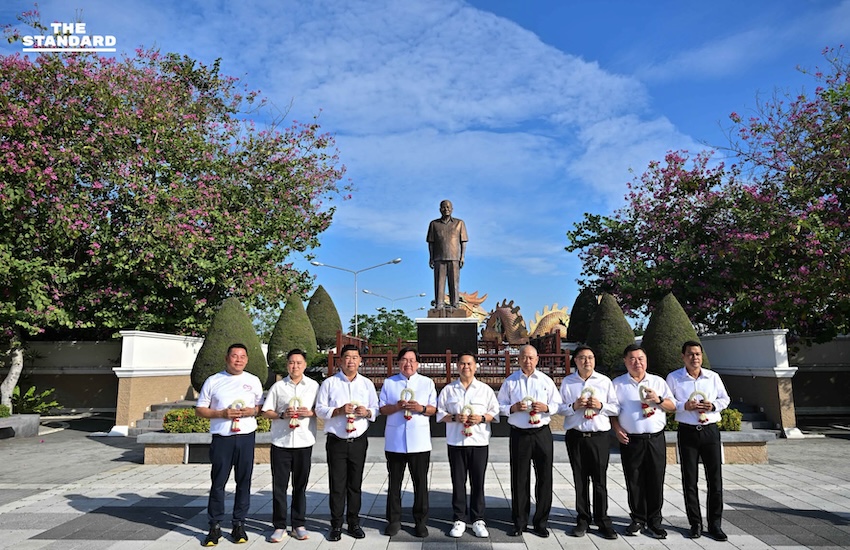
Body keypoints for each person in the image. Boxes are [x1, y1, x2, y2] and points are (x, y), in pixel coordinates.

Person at [195, 343, 264, 546]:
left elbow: (259, 407)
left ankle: (239, 524)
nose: (239, 360)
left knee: (244, 482)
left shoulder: (253, 381)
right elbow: (200, 409)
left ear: (247, 359)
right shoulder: (213, 381)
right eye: (234, 356)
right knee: (218, 483)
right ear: (227, 358)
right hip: (222, 438)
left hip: (245, 438)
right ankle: (214, 525)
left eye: (242, 356)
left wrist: (251, 411)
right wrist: (221, 414)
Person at [667, 340, 731, 542]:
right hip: (687, 432)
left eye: (698, 354)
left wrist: (712, 406)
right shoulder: (674, 378)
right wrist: (684, 405)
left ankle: (715, 524)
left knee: (715, 480)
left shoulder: (712, 377)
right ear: (683, 356)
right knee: (690, 479)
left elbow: (725, 399)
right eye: (690, 354)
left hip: (710, 431)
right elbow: (668, 402)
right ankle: (695, 523)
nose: (695, 358)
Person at [315, 344, 379, 542]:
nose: (351, 361)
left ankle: (353, 523)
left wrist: (367, 412)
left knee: (355, 484)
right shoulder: (330, 383)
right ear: (341, 361)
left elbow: (375, 408)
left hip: (358, 440)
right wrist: (338, 410)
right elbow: (319, 409)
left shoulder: (366, 384)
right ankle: (336, 525)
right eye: (347, 357)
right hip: (336, 441)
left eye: (355, 357)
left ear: (360, 361)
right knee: (337, 485)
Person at [611, 344, 676, 539]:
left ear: (646, 360)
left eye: (640, 358)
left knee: (656, 479)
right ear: (625, 361)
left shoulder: (658, 382)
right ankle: (637, 518)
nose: (637, 362)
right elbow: (612, 411)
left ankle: (655, 521)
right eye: (632, 359)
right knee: (634, 480)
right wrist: (617, 429)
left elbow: (672, 406)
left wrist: (658, 400)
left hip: (655, 438)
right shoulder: (618, 384)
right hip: (631, 440)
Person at [497, 344, 562, 538]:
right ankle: (519, 521)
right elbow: (499, 406)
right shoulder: (510, 381)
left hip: (541, 432)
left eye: (531, 357)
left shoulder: (545, 380)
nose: (528, 361)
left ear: (537, 359)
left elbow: (557, 403)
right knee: (519, 478)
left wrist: (546, 407)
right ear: (519, 359)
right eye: (524, 357)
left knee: (544, 477)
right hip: (520, 434)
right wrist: (512, 408)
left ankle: (541, 522)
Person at [436, 351, 500, 539]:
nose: (466, 367)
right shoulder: (449, 390)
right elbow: (440, 414)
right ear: (457, 366)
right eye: (462, 364)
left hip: (479, 441)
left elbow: (494, 413)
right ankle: (459, 519)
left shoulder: (485, 389)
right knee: (458, 481)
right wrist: (455, 417)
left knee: (478, 481)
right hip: (456, 441)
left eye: (470, 364)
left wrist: (480, 418)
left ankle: (478, 519)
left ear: (476, 366)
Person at [559, 345, 619, 540]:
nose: (587, 361)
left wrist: (601, 406)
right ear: (575, 361)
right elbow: (559, 408)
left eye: (590, 357)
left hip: (599, 437)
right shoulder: (568, 382)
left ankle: (603, 520)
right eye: (583, 358)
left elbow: (616, 408)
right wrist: (573, 406)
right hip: (576, 436)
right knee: (580, 480)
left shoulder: (604, 381)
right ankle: (583, 519)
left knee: (600, 481)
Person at [261, 349, 320, 542]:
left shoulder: (313, 386)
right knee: (279, 486)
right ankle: (279, 526)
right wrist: (281, 415)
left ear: (305, 365)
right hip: (281, 442)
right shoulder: (278, 387)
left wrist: (310, 413)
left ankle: (298, 524)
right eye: (291, 363)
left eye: (299, 363)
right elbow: (265, 411)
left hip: (304, 441)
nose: (295, 366)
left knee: (300, 486)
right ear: (287, 365)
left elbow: (321, 410)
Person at [379, 347, 437, 538]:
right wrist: (396, 407)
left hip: (419, 441)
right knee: (394, 483)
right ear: (398, 363)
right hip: (395, 441)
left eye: (412, 360)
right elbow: (382, 409)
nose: (408, 364)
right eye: (404, 360)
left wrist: (420, 408)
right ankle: (394, 520)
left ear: (418, 363)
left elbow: (433, 409)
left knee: (420, 483)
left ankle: (420, 521)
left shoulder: (427, 383)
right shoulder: (390, 383)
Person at [426, 199, 468, 309]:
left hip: (454, 257)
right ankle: (439, 304)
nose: (446, 209)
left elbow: (463, 241)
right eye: (444, 207)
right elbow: (431, 243)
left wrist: (462, 256)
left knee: (454, 282)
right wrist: (431, 257)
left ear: (452, 209)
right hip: (439, 257)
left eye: (448, 207)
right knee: (439, 282)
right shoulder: (434, 224)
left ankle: (455, 304)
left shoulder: (459, 223)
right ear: (440, 209)